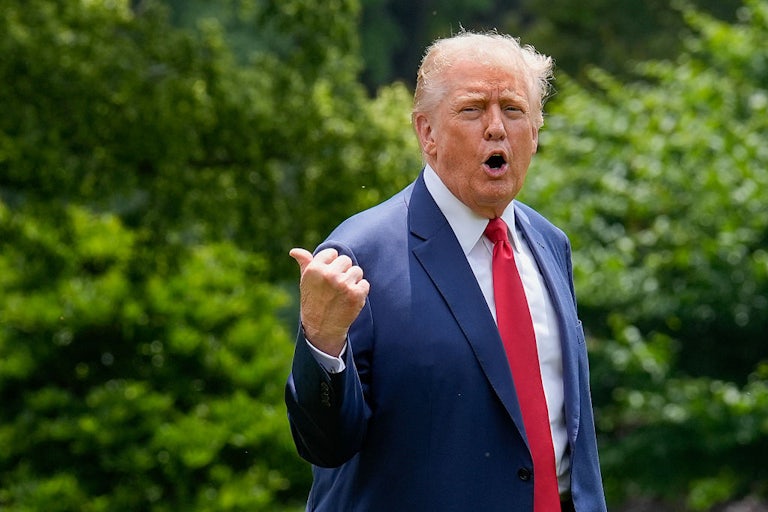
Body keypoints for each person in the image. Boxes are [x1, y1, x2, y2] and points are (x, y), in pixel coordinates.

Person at [285, 31, 607, 512]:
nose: (496, 128)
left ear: (536, 133)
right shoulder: (359, 254)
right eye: (473, 109)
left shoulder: (550, 244)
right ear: (427, 133)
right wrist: (321, 344)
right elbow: (326, 446)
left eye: (514, 110)